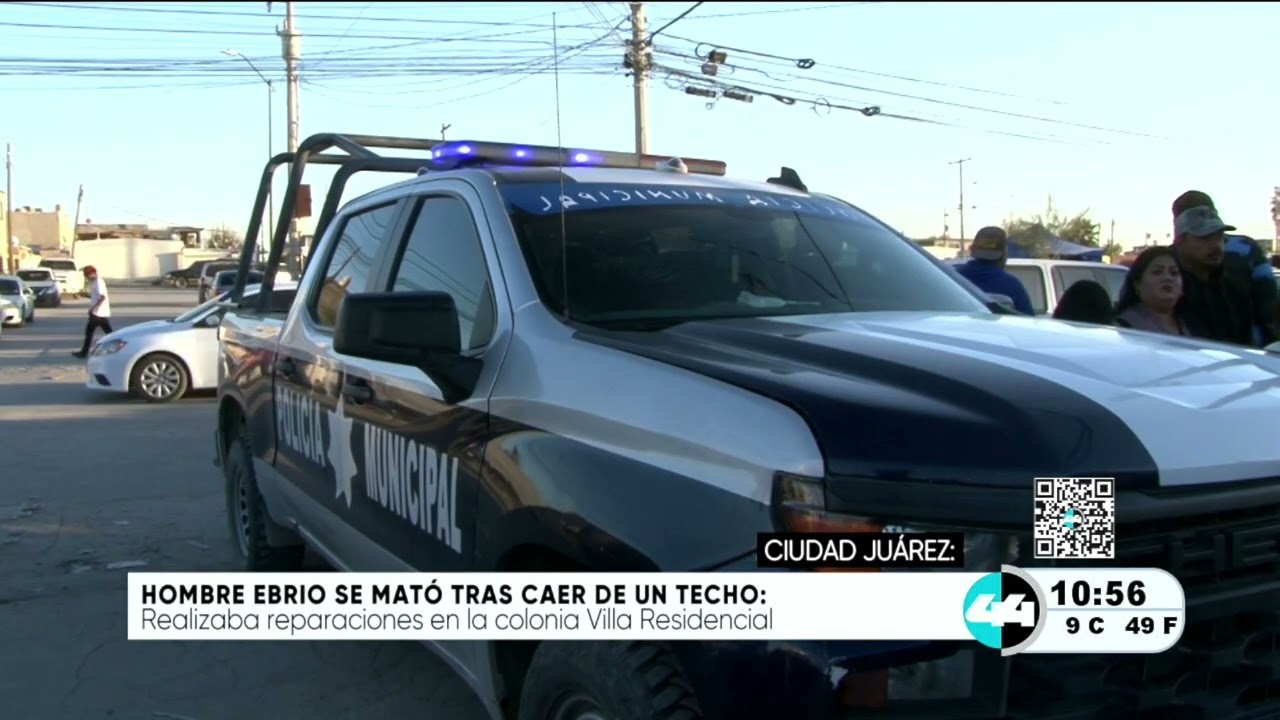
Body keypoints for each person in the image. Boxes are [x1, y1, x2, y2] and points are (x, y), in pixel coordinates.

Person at [1171, 190, 1274, 345]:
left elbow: (1269, 314)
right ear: (1180, 241)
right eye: (1205, 237)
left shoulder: (1234, 288)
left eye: (1219, 237)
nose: (1216, 246)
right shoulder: (1166, 284)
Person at [954, 226, 1035, 315]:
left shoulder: (951, 279)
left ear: (972, 250)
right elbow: (1028, 320)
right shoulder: (1012, 285)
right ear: (1004, 253)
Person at [1113, 246, 1191, 336]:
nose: (1168, 278)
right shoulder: (1123, 326)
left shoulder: (1190, 323)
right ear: (1137, 285)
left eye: (1174, 273)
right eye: (1157, 272)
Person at [72, 265, 113, 358]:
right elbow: (95, 296)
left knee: (89, 333)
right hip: (100, 313)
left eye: (86, 275)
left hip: (98, 313)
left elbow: (102, 297)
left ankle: (84, 352)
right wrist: (83, 294)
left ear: (92, 273)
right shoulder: (95, 282)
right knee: (109, 333)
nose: (86, 277)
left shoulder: (99, 282)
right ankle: (119, 347)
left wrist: (94, 308)